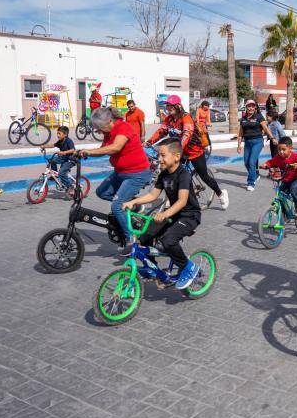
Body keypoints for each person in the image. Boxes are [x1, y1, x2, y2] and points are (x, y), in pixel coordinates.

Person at [121, 138, 202, 290]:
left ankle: (189, 267)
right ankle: (152, 268)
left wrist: (165, 214)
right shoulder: (164, 174)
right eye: (159, 155)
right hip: (172, 214)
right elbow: (153, 195)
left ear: (176, 156)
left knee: (168, 240)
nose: (159, 159)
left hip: (189, 216)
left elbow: (182, 201)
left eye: (163, 155)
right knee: (144, 235)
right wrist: (134, 202)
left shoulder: (183, 174)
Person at [81, 107, 151, 254]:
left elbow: (115, 148)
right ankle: (135, 206)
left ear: (110, 121)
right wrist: (81, 153)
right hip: (120, 172)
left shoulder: (123, 127)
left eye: (99, 128)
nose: (99, 132)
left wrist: (90, 151)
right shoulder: (108, 132)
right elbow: (103, 149)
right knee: (102, 192)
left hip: (137, 173)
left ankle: (132, 240)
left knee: (117, 206)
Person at [263, 136, 297, 214]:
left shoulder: (295, 156)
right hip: (285, 180)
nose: (281, 152)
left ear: (290, 148)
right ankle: (285, 212)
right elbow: (271, 162)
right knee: (280, 194)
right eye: (279, 149)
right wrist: (266, 165)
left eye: (283, 149)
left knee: (294, 189)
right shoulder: (278, 157)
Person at [237, 100, 276, 191]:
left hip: (257, 141)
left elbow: (265, 128)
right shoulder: (243, 119)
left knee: (251, 162)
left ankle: (251, 182)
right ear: (246, 107)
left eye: (252, 106)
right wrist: (238, 145)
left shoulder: (259, 116)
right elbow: (240, 133)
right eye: (248, 106)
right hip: (247, 142)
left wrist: (272, 138)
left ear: (255, 107)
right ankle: (256, 174)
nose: (250, 108)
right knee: (246, 162)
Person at [46, 125, 75, 190]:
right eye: (57, 133)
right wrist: (44, 146)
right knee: (52, 160)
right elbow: (53, 145)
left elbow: (73, 150)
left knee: (61, 173)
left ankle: (70, 186)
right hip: (63, 159)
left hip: (70, 160)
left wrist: (64, 152)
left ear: (65, 134)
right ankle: (55, 174)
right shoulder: (60, 141)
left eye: (59, 133)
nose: (58, 135)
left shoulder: (69, 141)